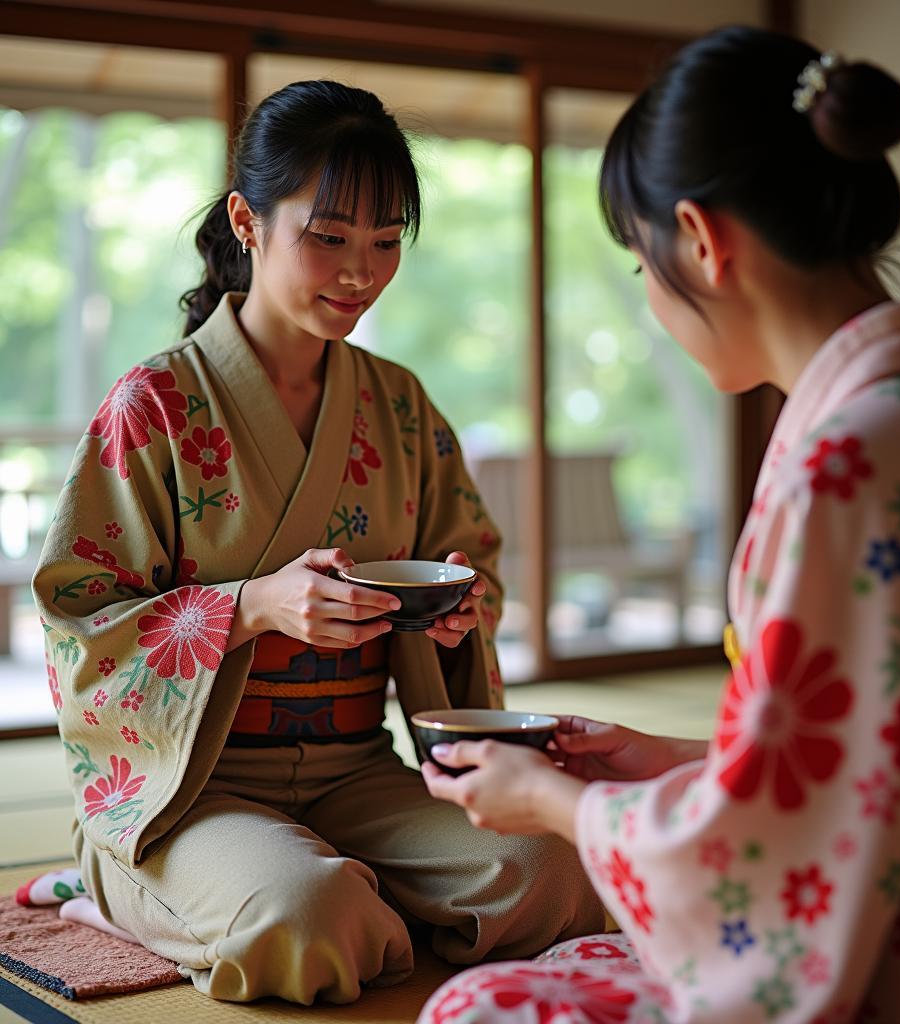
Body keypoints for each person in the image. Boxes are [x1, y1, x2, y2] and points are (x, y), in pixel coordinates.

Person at [416, 26, 900, 1023]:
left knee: (474, 1009)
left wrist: (560, 806)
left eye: (640, 264)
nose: (652, 298)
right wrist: (671, 758)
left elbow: (777, 853)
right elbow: (878, 755)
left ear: (700, 238)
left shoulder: (849, 461)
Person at [32, 79, 603, 1006]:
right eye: (328, 237)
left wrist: (457, 614)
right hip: (193, 787)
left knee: (550, 870)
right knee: (305, 919)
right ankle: (123, 888)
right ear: (246, 222)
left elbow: (473, 561)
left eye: (385, 244)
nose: (359, 273)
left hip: (358, 771)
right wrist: (251, 606)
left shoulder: (400, 404)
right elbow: (77, 618)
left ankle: (318, 885)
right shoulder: (157, 405)